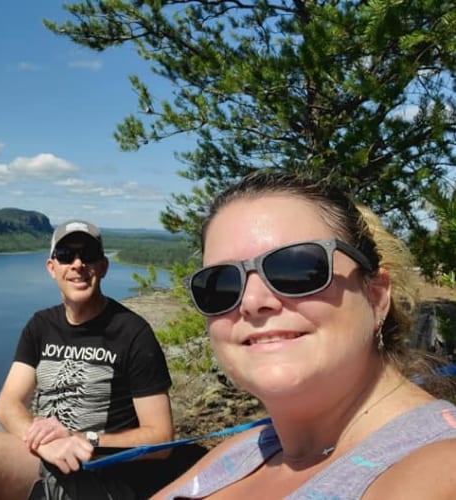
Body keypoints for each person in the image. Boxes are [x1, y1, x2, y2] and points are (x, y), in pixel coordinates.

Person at [152, 170, 456, 499]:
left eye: (296, 268)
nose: (252, 302)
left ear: (376, 296)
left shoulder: (440, 469)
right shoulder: (248, 450)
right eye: (220, 284)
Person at [0, 219, 187, 500]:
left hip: (93, 469)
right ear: (51, 267)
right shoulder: (41, 325)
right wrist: (41, 442)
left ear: (103, 266)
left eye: (88, 255)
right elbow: (8, 402)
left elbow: (161, 439)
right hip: (46, 448)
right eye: (66, 256)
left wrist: (83, 440)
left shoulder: (132, 332)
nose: (77, 264)